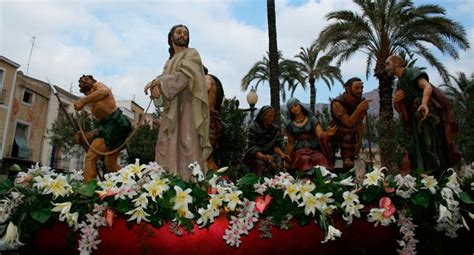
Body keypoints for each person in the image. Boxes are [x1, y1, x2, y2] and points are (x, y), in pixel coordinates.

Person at [144, 24, 211, 182]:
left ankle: (192, 187)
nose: (182, 35)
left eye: (185, 33)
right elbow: (163, 89)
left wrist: (159, 83)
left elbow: (185, 76)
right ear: (171, 37)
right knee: (164, 147)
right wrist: (156, 89)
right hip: (171, 112)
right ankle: (168, 183)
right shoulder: (169, 63)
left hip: (188, 107)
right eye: (179, 32)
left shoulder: (192, 54)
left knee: (188, 145)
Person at [385, 55, 461, 175]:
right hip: (415, 120)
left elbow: (427, 87)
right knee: (416, 150)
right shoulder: (399, 84)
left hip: (425, 116)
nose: (386, 67)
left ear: (397, 63)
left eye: (388, 64)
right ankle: (423, 178)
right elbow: (401, 109)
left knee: (430, 145)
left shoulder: (411, 73)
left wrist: (424, 104)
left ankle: (438, 177)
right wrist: (395, 102)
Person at [74, 75, 132, 181]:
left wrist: (83, 101)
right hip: (113, 126)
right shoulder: (93, 101)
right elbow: (103, 128)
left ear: (93, 80)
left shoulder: (98, 86)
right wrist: (86, 135)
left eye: (86, 79)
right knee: (110, 165)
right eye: (82, 82)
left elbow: (104, 92)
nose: (84, 81)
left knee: (91, 156)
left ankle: (88, 190)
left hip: (116, 123)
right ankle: (133, 181)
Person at [330, 77, 370, 169]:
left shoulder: (359, 102)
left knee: (351, 130)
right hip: (336, 130)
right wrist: (359, 109)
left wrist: (359, 141)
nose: (360, 91)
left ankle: (351, 157)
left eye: (361, 88)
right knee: (349, 129)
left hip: (352, 132)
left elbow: (359, 122)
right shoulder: (337, 103)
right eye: (357, 88)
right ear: (348, 89)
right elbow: (348, 123)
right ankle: (347, 158)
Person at [285, 98, 334, 173]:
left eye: (296, 105)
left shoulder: (312, 120)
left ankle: (324, 179)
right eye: (291, 108)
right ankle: (306, 180)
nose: (294, 109)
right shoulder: (290, 125)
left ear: (300, 106)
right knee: (305, 159)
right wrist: (287, 159)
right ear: (290, 111)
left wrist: (328, 134)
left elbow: (320, 135)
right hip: (299, 152)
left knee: (320, 158)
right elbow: (290, 143)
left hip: (313, 149)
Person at [243, 106, 290, 177]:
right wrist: (263, 156)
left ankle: (277, 183)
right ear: (262, 116)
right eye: (269, 116)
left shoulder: (275, 129)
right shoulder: (254, 127)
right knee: (260, 164)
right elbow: (252, 146)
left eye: (273, 116)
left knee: (279, 161)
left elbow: (275, 145)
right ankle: (258, 184)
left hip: (271, 153)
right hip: (257, 154)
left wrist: (282, 154)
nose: (272, 118)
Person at [203, 66, 224, 171]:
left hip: (207, 120)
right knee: (207, 158)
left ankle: (210, 183)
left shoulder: (207, 79)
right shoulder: (213, 80)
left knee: (204, 156)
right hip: (210, 119)